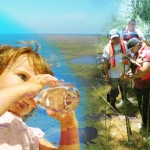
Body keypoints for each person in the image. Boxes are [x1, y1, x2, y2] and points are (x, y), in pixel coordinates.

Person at [0, 41, 80, 150]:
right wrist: (25, 88)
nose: (33, 91)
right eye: (23, 77)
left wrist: (69, 125)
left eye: (38, 90)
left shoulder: (30, 136)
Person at [102, 29, 130, 110]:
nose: (115, 40)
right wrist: (107, 76)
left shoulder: (125, 44)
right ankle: (112, 105)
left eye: (117, 38)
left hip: (124, 71)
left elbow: (130, 56)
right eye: (113, 38)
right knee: (114, 91)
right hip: (113, 73)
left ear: (119, 37)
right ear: (110, 38)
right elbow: (105, 63)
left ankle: (124, 100)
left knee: (124, 87)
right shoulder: (107, 48)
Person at [126, 38, 150, 129]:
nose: (132, 51)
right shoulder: (137, 53)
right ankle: (145, 125)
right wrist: (129, 72)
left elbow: (144, 71)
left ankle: (147, 128)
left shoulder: (148, 53)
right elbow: (133, 67)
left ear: (136, 45)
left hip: (147, 87)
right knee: (142, 107)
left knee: (147, 108)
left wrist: (131, 76)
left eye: (132, 49)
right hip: (139, 86)